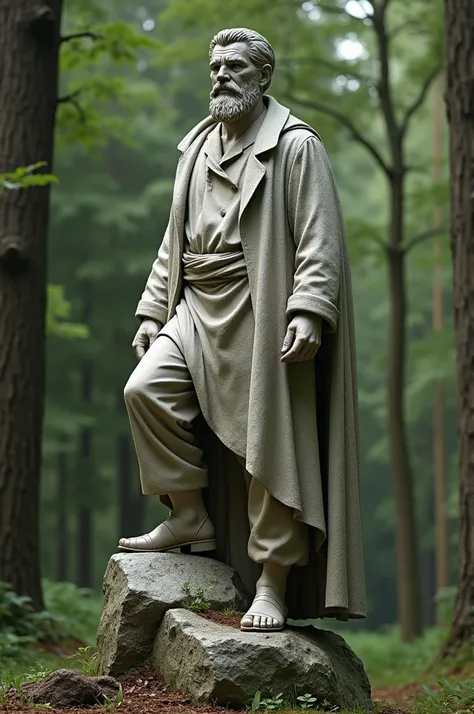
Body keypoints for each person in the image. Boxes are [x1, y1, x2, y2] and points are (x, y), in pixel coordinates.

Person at [119, 27, 366, 632]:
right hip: (197, 309)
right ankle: (188, 513)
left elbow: (319, 239)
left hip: (263, 311)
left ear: (263, 76)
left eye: (234, 66)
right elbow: (171, 242)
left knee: (269, 450)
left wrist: (309, 309)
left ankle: (272, 583)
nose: (221, 76)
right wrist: (154, 310)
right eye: (214, 66)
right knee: (143, 391)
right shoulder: (198, 146)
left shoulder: (295, 146)